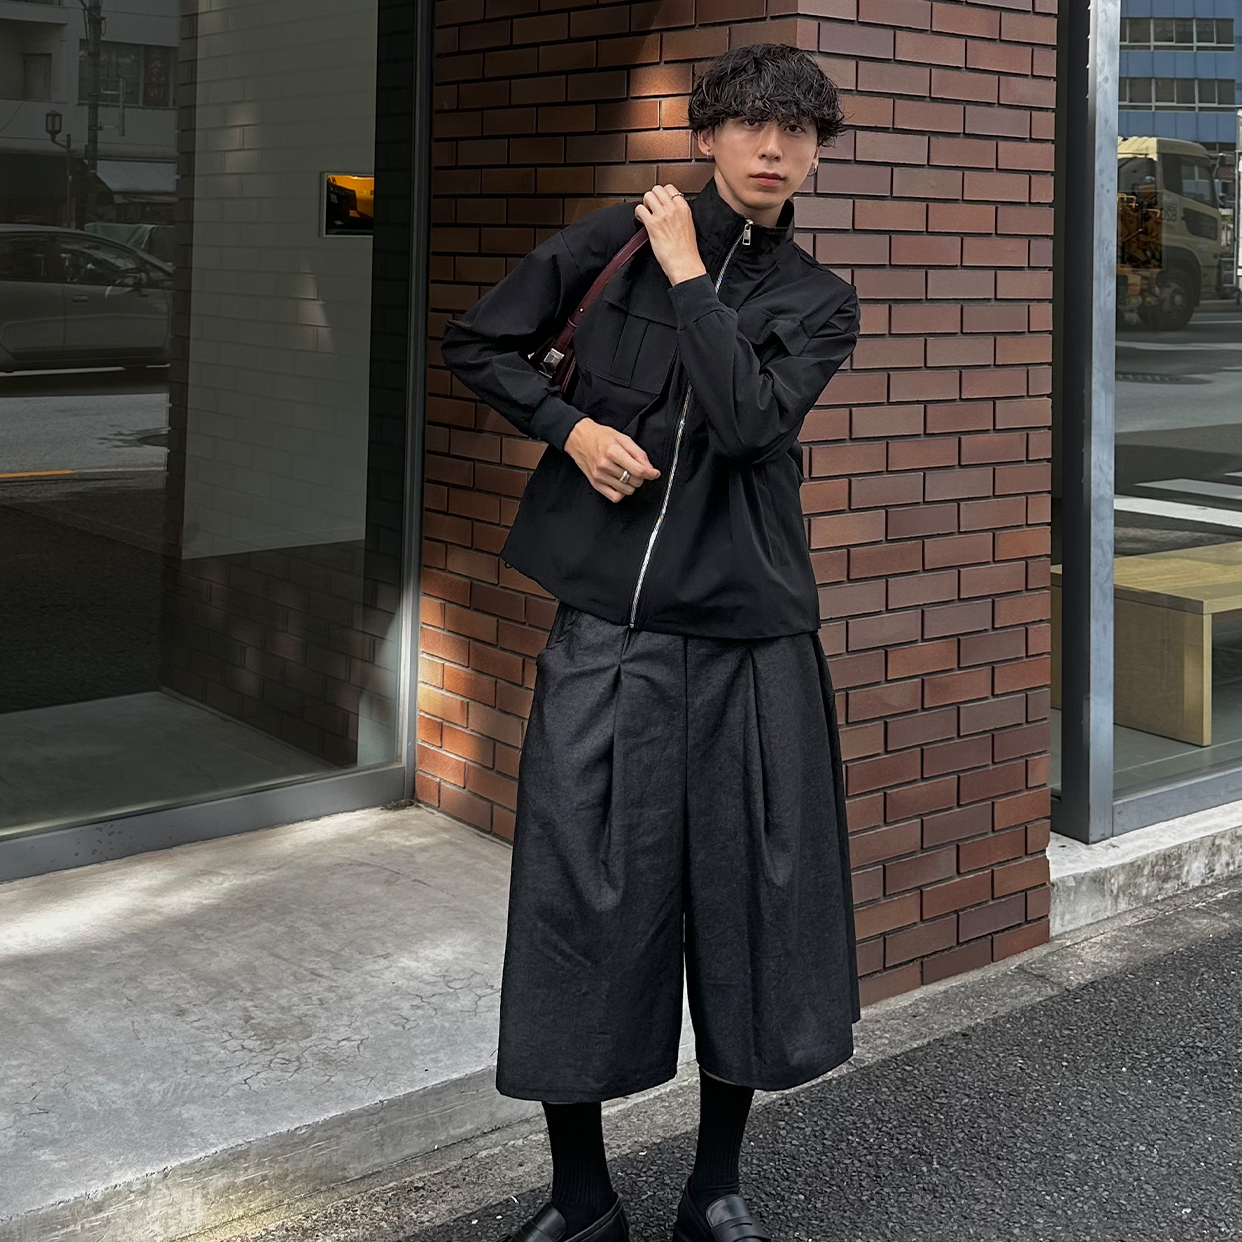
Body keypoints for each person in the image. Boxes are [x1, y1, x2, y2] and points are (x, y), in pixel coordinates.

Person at [440, 42, 861, 1242]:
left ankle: (714, 1187)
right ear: (708, 134)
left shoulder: (818, 300)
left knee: (752, 905)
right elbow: (479, 343)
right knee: (578, 895)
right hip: (608, 632)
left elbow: (749, 422)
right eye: (753, 125)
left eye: (799, 132)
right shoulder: (606, 244)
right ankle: (581, 1198)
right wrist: (569, 430)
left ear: (815, 154)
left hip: (749, 638)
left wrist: (689, 278)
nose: (775, 149)